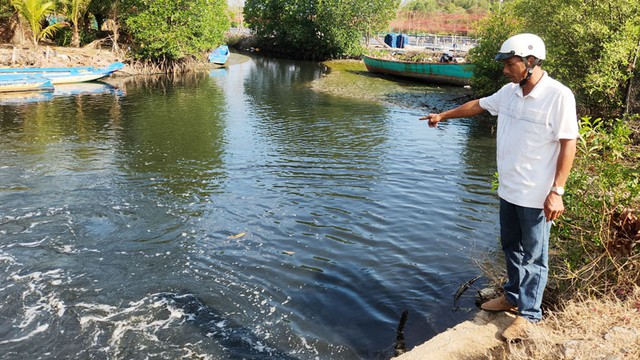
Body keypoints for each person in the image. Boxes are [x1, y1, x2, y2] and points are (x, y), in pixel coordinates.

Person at [420, 33, 579, 340]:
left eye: (510, 63)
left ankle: (530, 315)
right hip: (509, 191)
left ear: (530, 61)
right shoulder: (509, 93)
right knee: (512, 249)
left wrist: (557, 191)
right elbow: (478, 105)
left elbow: (568, 144)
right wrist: (444, 115)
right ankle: (512, 296)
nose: (506, 70)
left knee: (534, 256)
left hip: (537, 196)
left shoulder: (558, 96)